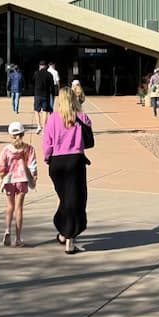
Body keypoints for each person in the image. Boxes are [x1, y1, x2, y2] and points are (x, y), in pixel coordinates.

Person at [43, 87, 93, 254]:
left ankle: (64, 233)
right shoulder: (82, 118)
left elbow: (47, 142)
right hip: (75, 161)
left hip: (57, 162)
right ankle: (69, 239)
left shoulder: (53, 118)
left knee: (64, 198)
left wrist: (48, 158)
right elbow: (88, 141)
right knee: (75, 200)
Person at [0, 121, 37, 247]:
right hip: (22, 180)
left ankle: (7, 230)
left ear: (10, 135)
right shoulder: (29, 148)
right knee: (19, 208)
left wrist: (1, 178)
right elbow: (33, 165)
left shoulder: (6, 150)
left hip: (9, 180)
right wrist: (34, 177)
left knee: (10, 206)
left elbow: (1, 166)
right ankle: (18, 238)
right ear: (23, 134)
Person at [33, 60, 55, 134]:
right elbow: (52, 86)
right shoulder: (49, 74)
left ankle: (39, 126)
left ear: (40, 66)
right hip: (46, 95)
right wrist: (53, 94)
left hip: (37, 94)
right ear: (46, 66)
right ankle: (44, 128)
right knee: (45, 111)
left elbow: (32, 82)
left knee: (36, 110)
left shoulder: (36, 73)